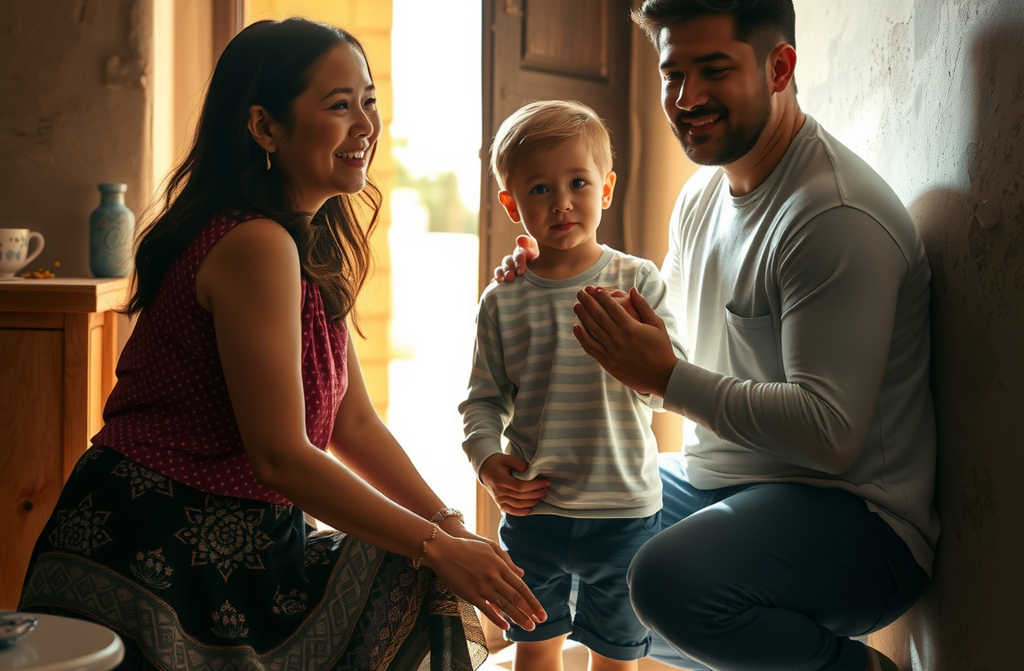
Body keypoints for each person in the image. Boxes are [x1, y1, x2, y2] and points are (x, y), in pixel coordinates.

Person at [18, 18, 545, 670]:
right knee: (419, 567)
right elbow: (281, 458)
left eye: (369, 101)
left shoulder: (306, 240)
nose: (365, 126)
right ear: (265, 127)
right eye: (338, 105)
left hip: (242, 540)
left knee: (421, 563)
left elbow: (353, 421)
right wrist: (436, 546)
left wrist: (451, 524)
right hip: (154, 545)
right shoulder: (254, 245)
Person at [494, 1, 939, 670]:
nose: (686, 98)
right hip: (728, 484)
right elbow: (646, 352)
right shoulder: (702, 200)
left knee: (664, 580)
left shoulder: (831, 215)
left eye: (714, 70)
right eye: (674, 74)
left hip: (861, 524)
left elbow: (831, 435)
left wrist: (666, 378)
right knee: (560, 522)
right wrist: (544, 282)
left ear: (779, 67)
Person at [460, 100, 685, 671]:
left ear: (606, 189)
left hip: (625, 512)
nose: (561, 202)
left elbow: (668, 386)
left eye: (578, 182)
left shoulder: (637, 282)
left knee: (617, 655)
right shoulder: (504, 299)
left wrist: (638, 351)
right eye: (539, 189)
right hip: (536, 514)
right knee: (535, 650)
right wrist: (486, 462)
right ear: (511, 204)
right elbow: (481, 401)